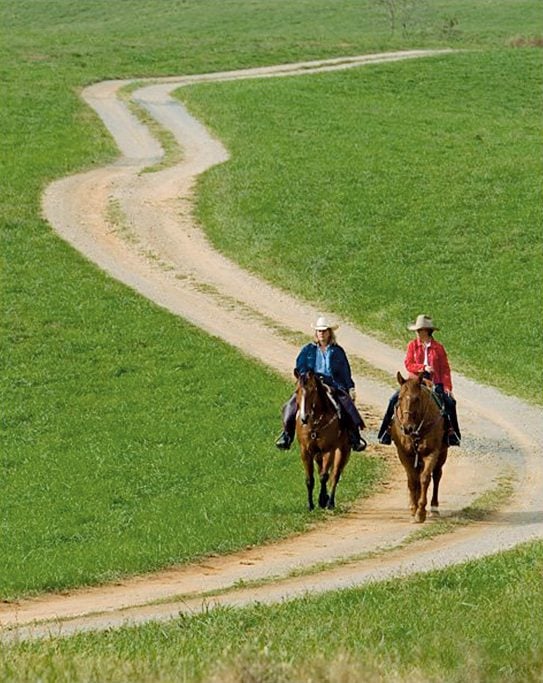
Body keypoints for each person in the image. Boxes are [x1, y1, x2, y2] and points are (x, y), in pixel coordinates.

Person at [275, 316, 366, 452]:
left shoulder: (337, 351)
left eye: (324, 331)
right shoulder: (308, 350)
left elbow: (345, 371)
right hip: (311, 384)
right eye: (319, 331)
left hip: (332, 384)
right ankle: (287, 435)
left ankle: (354, 436)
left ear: (329, 332)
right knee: (291, 405)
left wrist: (350, 387)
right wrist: (307, 376)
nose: (321, 333)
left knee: (346, 405)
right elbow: (300, 366)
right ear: (316, 333)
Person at [377, 314, 461, 446]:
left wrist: (447, 387)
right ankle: (385, 431)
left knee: (449, 403)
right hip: (415, 381)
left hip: (434, 381)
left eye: (419, 330)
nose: (416, 333)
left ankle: (452, 433)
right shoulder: (412, 346)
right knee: (393, 399)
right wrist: (423, 367)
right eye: (416, 330)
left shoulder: (438, 348)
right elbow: (408, 364)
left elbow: (445, 369)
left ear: (426, 331)